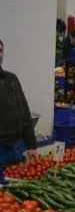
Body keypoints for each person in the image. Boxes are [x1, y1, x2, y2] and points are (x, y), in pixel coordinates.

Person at [0, 38, 38, 168]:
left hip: (17, 146)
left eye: (0, 51)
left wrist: (31, 145)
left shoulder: (11, 79)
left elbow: (24, 111)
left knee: (16, 185)